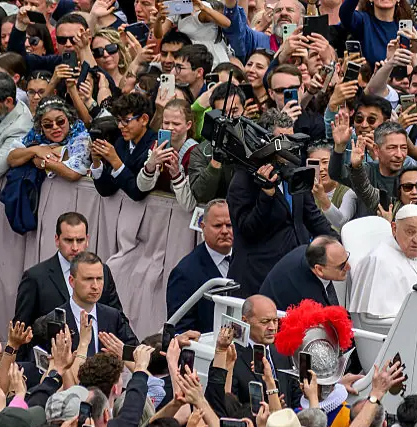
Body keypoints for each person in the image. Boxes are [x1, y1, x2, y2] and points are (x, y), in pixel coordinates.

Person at [225, 120, 334, 298]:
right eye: (282, 139)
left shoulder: (295, 171)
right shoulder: (242, 180)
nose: (289, 145)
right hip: (258, 278)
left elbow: (313, 218)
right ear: (264, 143)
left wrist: (339, 245)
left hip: (296, 272)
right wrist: (266, 195)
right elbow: (248, 230)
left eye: (291, 138)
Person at [14, 211, 124, 330]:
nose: (75, 247)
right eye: (69, 240)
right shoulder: (35, 277)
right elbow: (20, 331)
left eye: (80, 240)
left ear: (87, 240)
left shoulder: (103, 271)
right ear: (57, 240)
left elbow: (118, 319)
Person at [347, 204, 417, 320]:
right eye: (410, 232)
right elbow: (375, 319)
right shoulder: (378, 260)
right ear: (394, 229)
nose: (416, 240)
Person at [35, 252, 139, 357]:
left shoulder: (113, 317)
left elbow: (137, 353)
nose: (95, 286)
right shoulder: (52, 321)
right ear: (72, 281)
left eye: (99, 279)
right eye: (88, 279)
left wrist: (124, 353)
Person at [166, 199, 234, 334]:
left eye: (230, 225)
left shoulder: (247, 260)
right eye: (218, 226)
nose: (225, 231)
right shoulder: (185, 273)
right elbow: (180, 329)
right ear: (203, 227)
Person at [6, 95, 91, 182]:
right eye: (48, 125)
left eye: (60, 121)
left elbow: (73, 173)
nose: (55, 127)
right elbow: (11, 159)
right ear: (41, 126)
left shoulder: (80, 136)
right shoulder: (37, 134)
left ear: (69, 119)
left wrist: (42, 162)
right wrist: (35, 150)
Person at [91, 93, 157, 202]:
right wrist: (96, 162)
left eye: (126, 120)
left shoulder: (154, 146)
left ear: (144, 119)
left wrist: (115, 161)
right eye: (118, 120)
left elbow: (137, 193)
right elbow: (107, 190)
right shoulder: (120, 143)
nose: (120, 126)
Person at [258, 235, 351, 311]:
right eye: (341, 266)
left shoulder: (308, 252)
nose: (349, 267)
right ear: (319, 269)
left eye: (347, 258)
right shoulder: (311, 300)